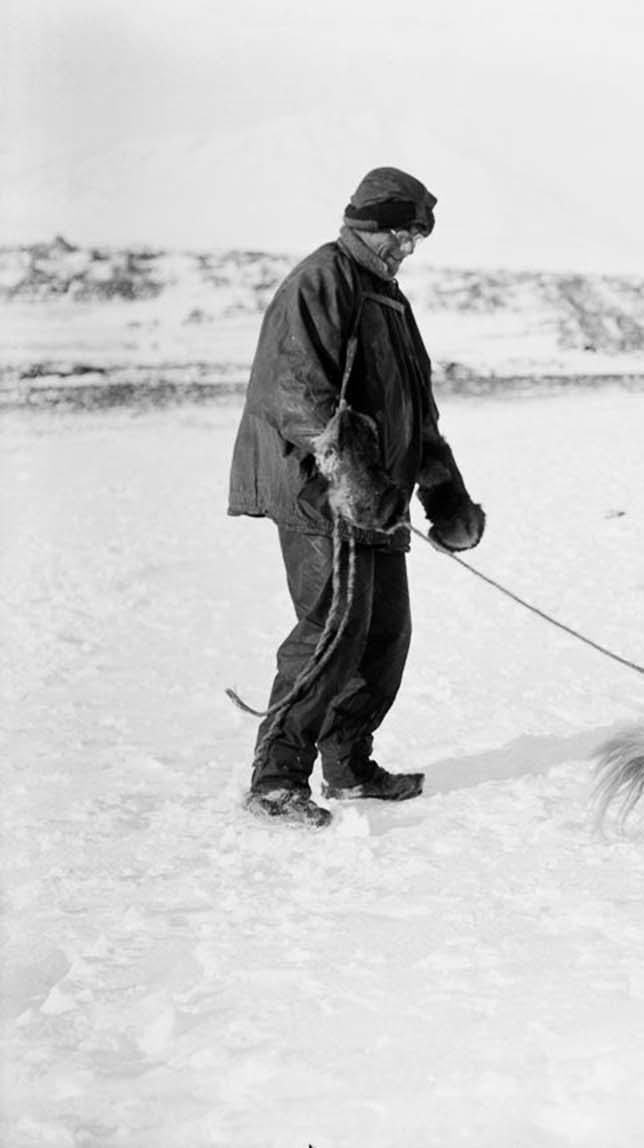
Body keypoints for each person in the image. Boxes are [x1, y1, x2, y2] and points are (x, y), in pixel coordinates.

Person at [227, 166, 485, 828]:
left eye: (416, 238)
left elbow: (415, 411)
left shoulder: (388, 299)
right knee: (331, 632)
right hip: (321, 495)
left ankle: (348, 766)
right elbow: (297, 396)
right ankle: (276, 778)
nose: (409, 249)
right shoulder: (322, 280)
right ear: (370, 226)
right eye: (402, 234)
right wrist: (355, 480)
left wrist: (445, 494)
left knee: (384, 637)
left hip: (377, 500)